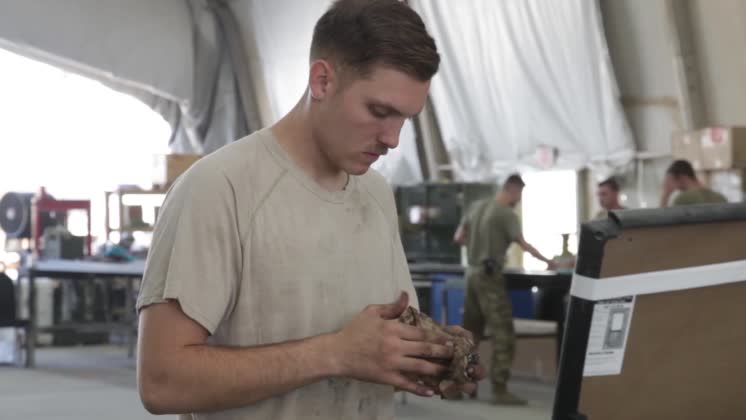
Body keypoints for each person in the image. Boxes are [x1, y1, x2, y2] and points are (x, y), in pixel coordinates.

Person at [135, 1, 483, 419]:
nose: (392, 139)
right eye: (379, 111)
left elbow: (378, 334)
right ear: (322, 80)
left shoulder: (374, 193)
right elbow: (162, 380)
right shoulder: (219, 189)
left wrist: (432, 351)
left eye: (405, 119)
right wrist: (335, 354)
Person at [453, 174, 556, 405]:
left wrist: (478, 248)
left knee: (470, 334)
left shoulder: (476, 206)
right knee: (504, 335)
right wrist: (550, 263)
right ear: (513, 189)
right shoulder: (506, 214)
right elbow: (524, 244)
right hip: (490, 277)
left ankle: (461, 385)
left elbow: (459, 238)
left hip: (471, 274)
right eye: (519, 194)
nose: (518, 200)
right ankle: (499, 389)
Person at [660, 160, 727, 207]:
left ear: (682, 177)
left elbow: (665, 224)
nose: (667, 184)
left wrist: (665, 194)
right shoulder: (720, 197)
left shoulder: (683, 199)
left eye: (670, 180)